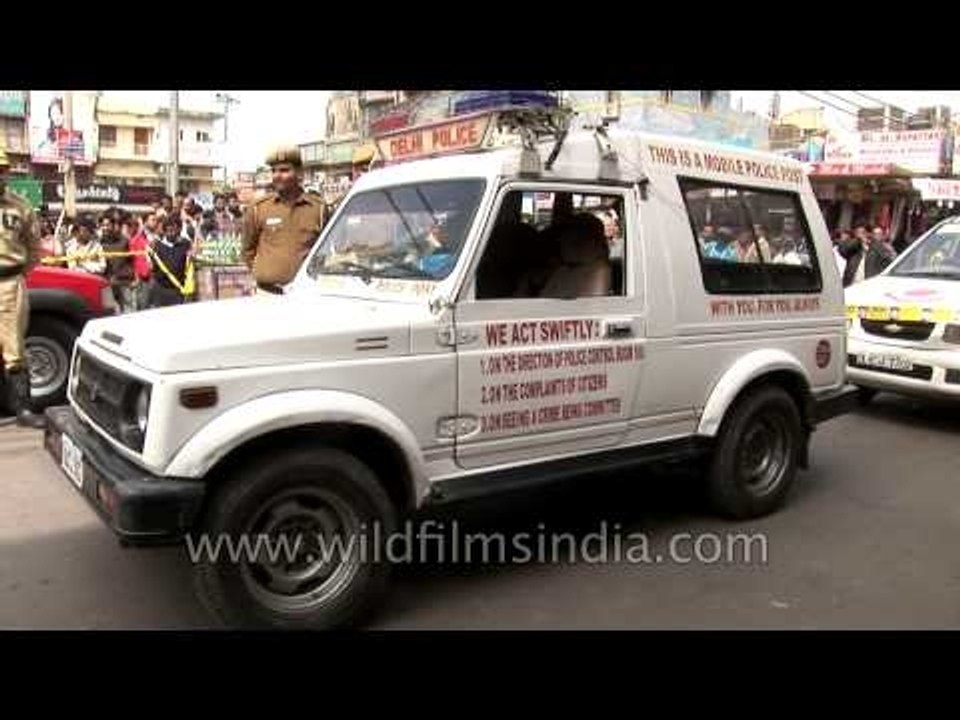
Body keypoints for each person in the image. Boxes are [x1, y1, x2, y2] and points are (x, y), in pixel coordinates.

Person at [0, 148, 46, 428]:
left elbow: (33, 248)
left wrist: (16, 274)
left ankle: (23, 410)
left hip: (9, 283)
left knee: (14, 349)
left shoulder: (20, 206)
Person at [241, 145, 326, 294]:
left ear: (299, 173)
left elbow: (327, 250)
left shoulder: (318, 209)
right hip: (267, 295)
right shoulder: (259, 208)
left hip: (305, 294)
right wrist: (265, 272)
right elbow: (248, 250)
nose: (277, 176)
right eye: (274, 171)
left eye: (284, 170)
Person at [148, 216, 194, 307]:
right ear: (164, 231)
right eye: (169, 231)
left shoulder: (185, 244)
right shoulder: (156, 246)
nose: (172, 233)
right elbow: (152, 267)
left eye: (174, 230)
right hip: (161, 290)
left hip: (178, 289)